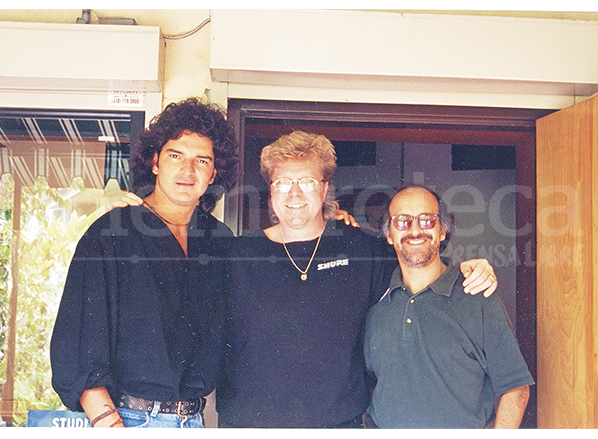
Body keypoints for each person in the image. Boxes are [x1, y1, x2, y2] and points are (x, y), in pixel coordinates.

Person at [216, 131, 499, 428]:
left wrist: (470, 268)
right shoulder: (236, 255)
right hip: (249, 424)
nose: (295, 194)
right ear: (271, 190)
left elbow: (421, 265)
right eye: (283, 182)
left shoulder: (362, 248)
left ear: (324, 189)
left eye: (308, 182)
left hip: (338, 424)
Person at [50, 97, 238, 428]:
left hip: (194, 421)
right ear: (155, 162)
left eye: (202, 160)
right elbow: (78, 342)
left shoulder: (220, 240)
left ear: (214, 174)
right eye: (175, 155)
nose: (187, 170)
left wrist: (331, 222)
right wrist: (110, 426)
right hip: (129, 419)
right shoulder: (112, 233)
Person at [363, 184, 533, 429]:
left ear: (443, 230)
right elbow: (370, 386)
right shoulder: (375, 304)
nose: (414, 230)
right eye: (402, 221)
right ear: (389, 235)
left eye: (427, 220)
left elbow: (516, 389)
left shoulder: (477, 297)